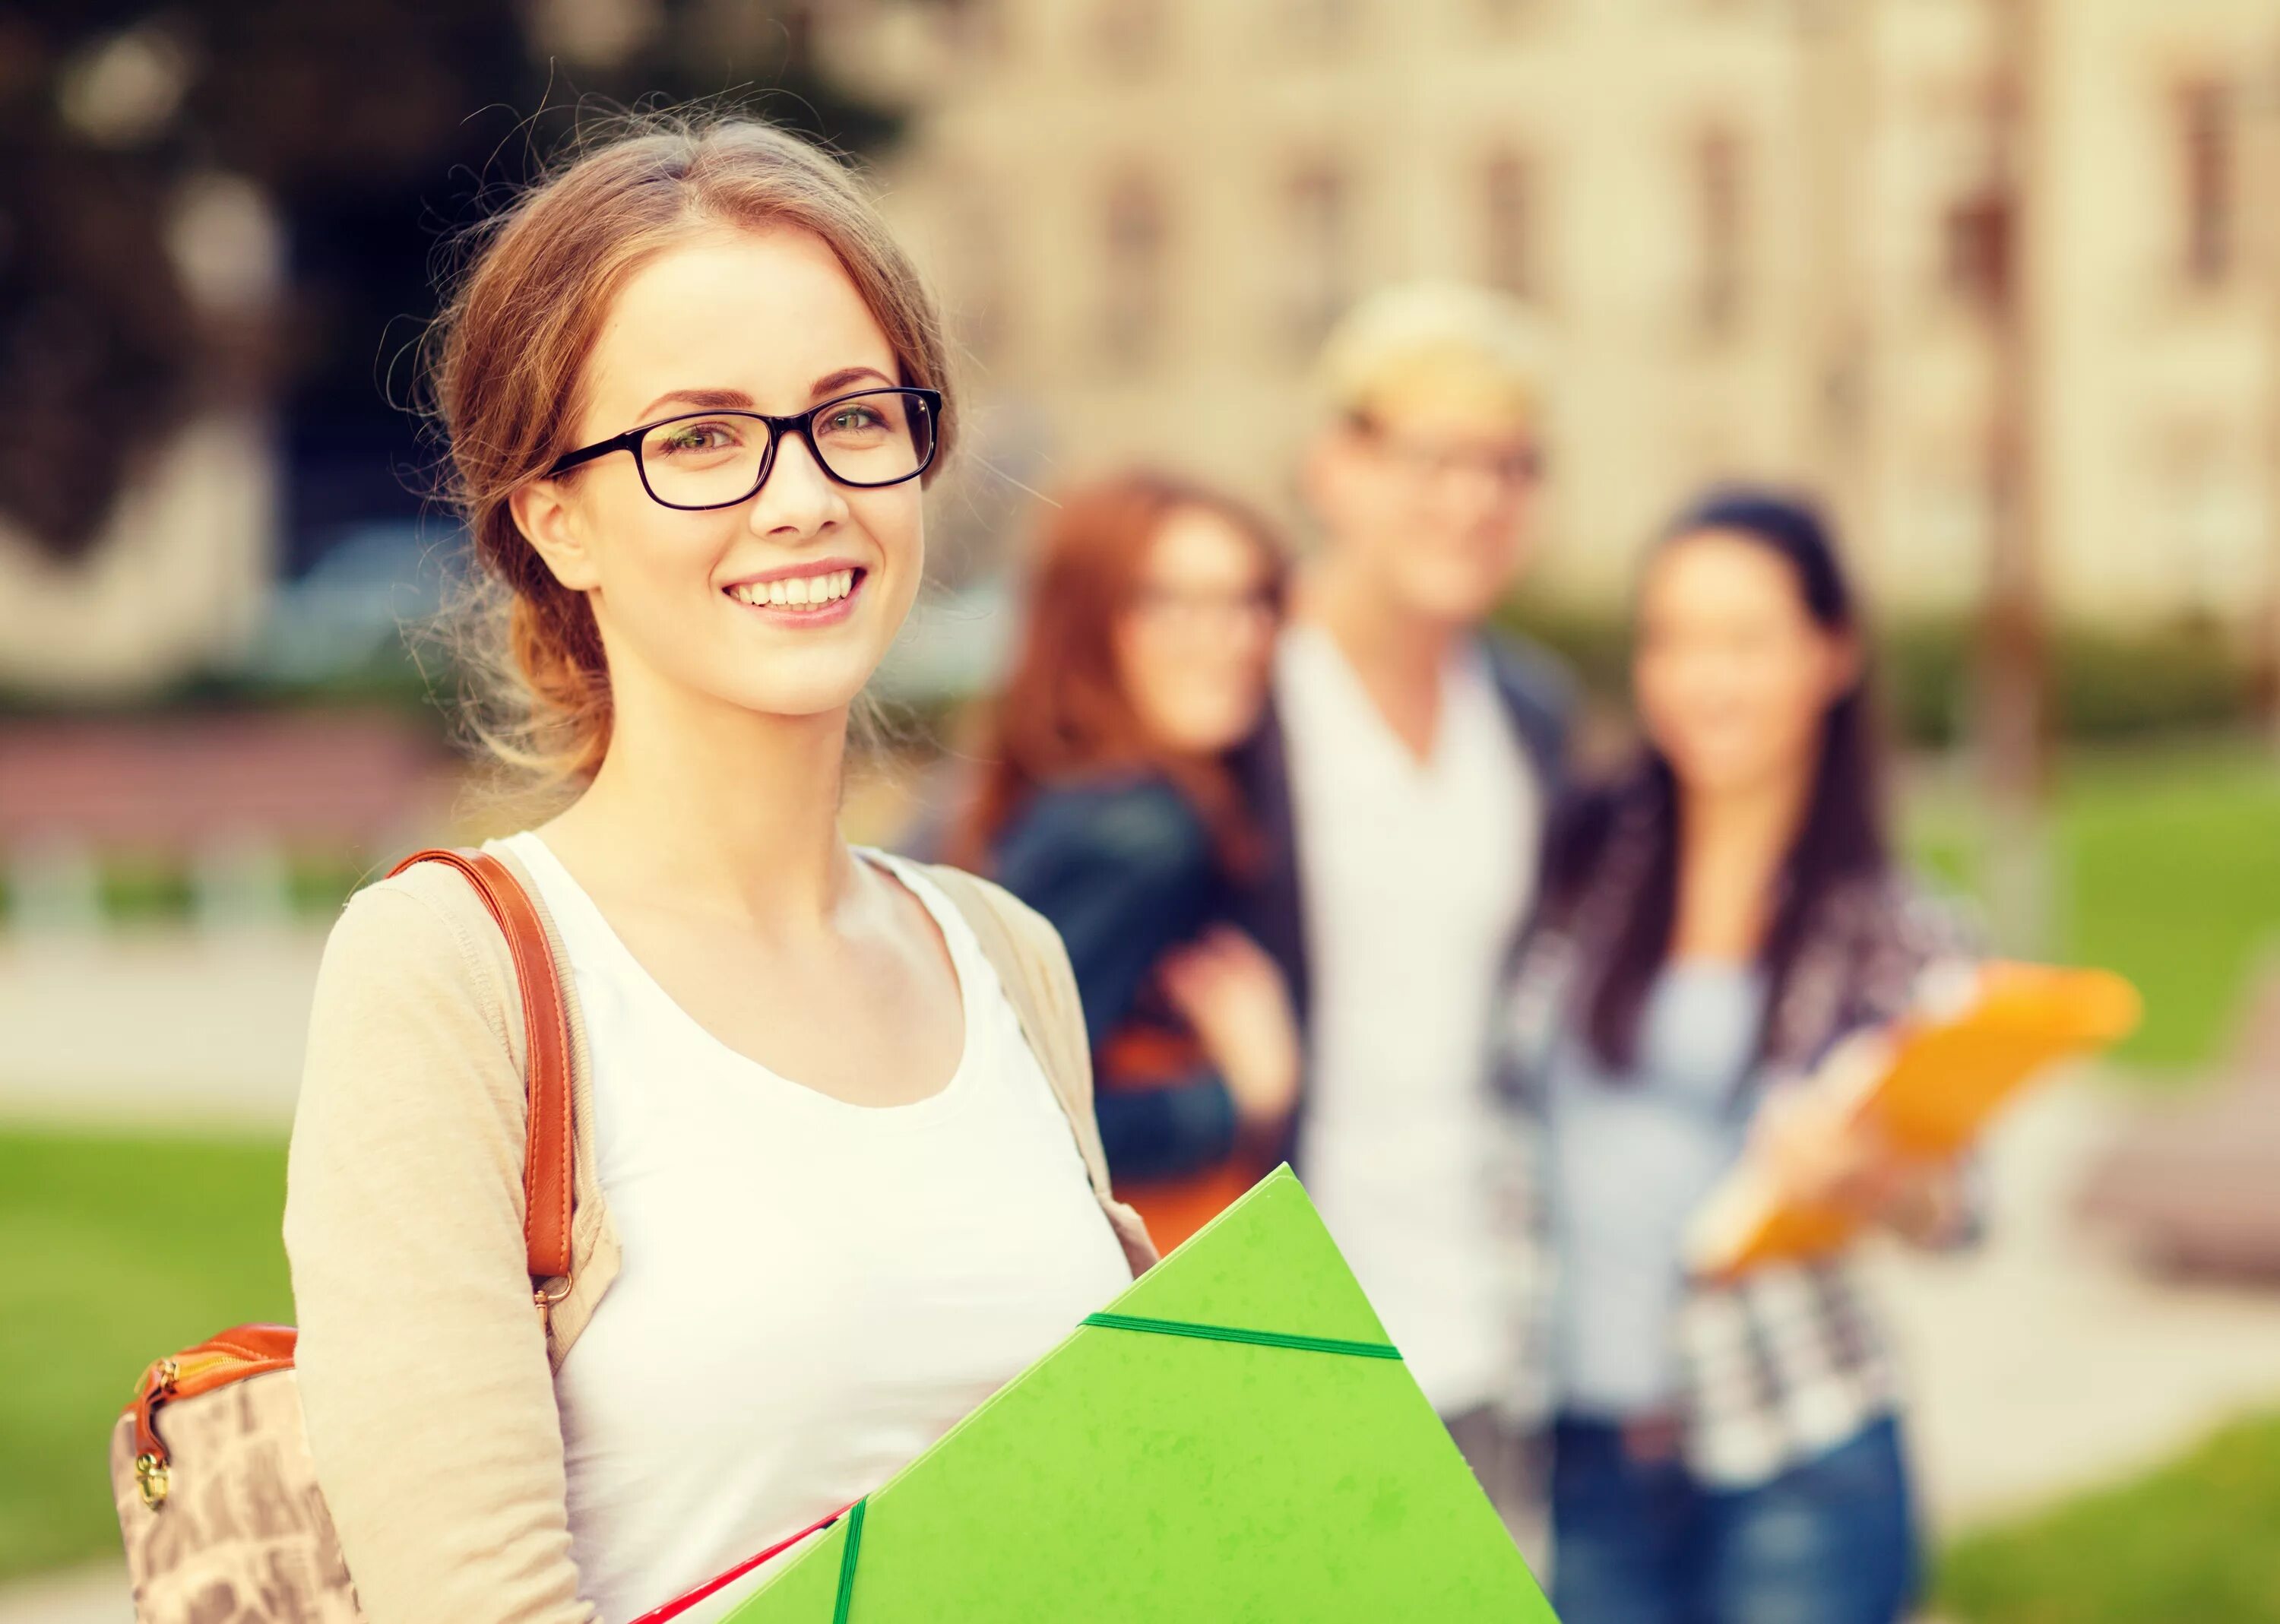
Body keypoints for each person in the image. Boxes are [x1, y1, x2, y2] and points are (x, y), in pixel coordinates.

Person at [281, 115, 1154, 1624]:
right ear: (555, 519)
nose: (803, 491)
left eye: (855, 415)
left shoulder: (1008, 955)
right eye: (698, 437)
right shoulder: (451, 971)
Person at [1496, 489, 1980, 1623]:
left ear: (1833, 652)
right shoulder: (1580, 857)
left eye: (1744, 641)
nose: (1701, 679)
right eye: (1673, 640)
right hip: (1583, 1457)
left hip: (1796, 1453)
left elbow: (1963, 1212)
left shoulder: (1896, 927)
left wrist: (1875, 1181)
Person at [1232, 281, 1572, 1497]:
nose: (1477, 500)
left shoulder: (1530, 714)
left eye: (1511, 466)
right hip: (1289, 1323)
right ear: (1337, 467)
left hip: (1487, 1322)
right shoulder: (1243, 697)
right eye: (1437, 458)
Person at [954, 470, 1300, 1251]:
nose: (1236, 635)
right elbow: (1017, 1115)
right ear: (1089, 619)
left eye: (1251, 600)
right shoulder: (1142, 831)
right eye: (1171, 601)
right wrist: (1238, 1095)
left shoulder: (1053, 795)